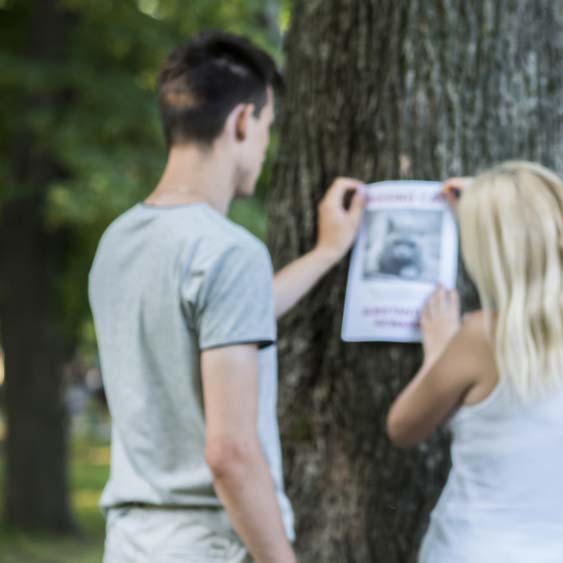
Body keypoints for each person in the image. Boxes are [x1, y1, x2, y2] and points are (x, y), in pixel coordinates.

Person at [89, 32, 365, 563]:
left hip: (131, 544)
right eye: (267, 127)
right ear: (242, 121)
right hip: (210, 546)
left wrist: (327, 253)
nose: (264, 145)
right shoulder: (228, 253)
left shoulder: (118, 242)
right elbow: (230, 453)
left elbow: (221, 320)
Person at [386, 161, 563, 562]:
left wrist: (438, 353)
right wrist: (492, 200)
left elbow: (403, 427)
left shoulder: (482, 338)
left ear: (492, 251)